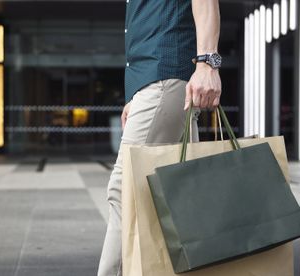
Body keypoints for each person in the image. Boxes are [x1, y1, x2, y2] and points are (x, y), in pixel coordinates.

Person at [97, 0, 222, 275]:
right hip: (154, 81)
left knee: (124, 190)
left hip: (165, 75)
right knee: (175, 195)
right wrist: (136, 94)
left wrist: (207, 63)